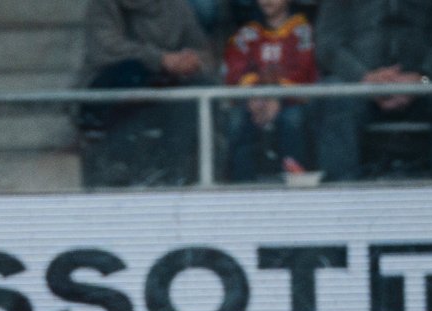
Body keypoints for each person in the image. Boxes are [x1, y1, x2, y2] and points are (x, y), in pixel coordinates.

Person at [314, 0, 432, 181]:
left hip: (425, 84)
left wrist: (423, 77)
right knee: (335, 94)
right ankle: (342, 189)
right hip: (359, 85)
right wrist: (363, 77)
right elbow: (327, 43)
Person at [80, 0, 214, 187]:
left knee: (200, 86)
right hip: (113, 85)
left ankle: (175, 172)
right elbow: (105, 50)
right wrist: (161, 59)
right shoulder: (104, 4)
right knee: (132, 73)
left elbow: (201, 49)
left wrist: (192, 60)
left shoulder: (176, 6)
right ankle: (121, 167)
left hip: (164, 84)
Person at [222, 0, 318, 181]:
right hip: (253, 102)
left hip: (293, 101)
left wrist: (277, 96)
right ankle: (240, 188)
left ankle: (298, 183)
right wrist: (255, 94)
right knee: (237, 121)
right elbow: (234, 70)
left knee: (293, 119)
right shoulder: (247, 33)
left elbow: (305, 71)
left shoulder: (302, 31)